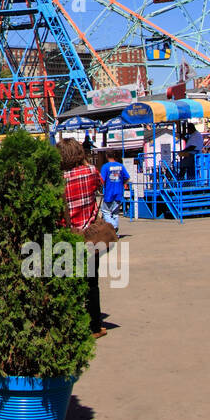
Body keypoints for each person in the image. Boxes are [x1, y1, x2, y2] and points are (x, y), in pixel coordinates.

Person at [58, 138, 106, 339]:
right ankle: (95, 326)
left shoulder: (58, 179)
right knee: (91, 283)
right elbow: (100, 186)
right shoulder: (90, 172)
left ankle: (70, 327)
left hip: (66, 236)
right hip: (89, 236)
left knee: (67, 282)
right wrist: (84, 162)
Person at [100, 152, 130, 231]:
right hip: (119, 192)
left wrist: (102, 187)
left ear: (106, 156)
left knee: (105, 211)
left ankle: (114, 226)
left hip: (109, 192)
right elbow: (127, 177)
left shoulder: (105, 167)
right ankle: (115, 234)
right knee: (115, 214)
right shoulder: (121, 166)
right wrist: (121, 183)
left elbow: (102, 180)